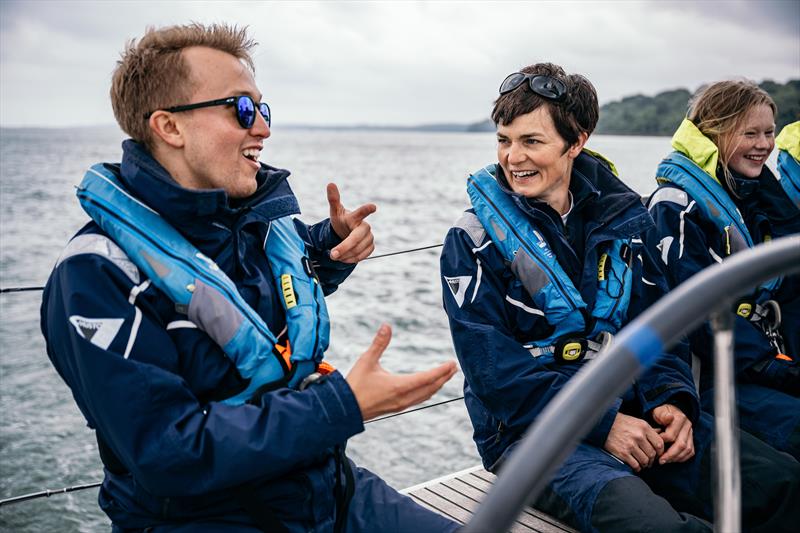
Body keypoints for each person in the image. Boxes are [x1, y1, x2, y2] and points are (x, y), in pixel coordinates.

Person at [40, 23, 458, 532]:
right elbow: (169, 452)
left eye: (264, 109)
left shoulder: (249, 221)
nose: (262, 128)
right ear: (170, 127)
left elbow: (254, 301)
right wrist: (341, 404)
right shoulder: (94, 275)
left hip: (323, 489)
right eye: (241, 108)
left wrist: (330, 248)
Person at [439, 63, 799, 533]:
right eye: (504, 140)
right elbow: (495, 376)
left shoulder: (625, 224)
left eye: (531, 141)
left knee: (784, 485)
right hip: (532, 436)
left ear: (577, 142)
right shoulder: (471, 242)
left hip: (634, 412)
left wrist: (673, 402)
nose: (512, 157)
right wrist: (604, 424)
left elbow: (659, 330)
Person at [644, 81, 800, 460]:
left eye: (768, 133)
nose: (764, 144)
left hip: (767, 363)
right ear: (715, 133)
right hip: (715, 379)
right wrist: (771, 366)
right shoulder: (675, 208)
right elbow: (697, 310)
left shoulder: (758, 198)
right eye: (750, 133)